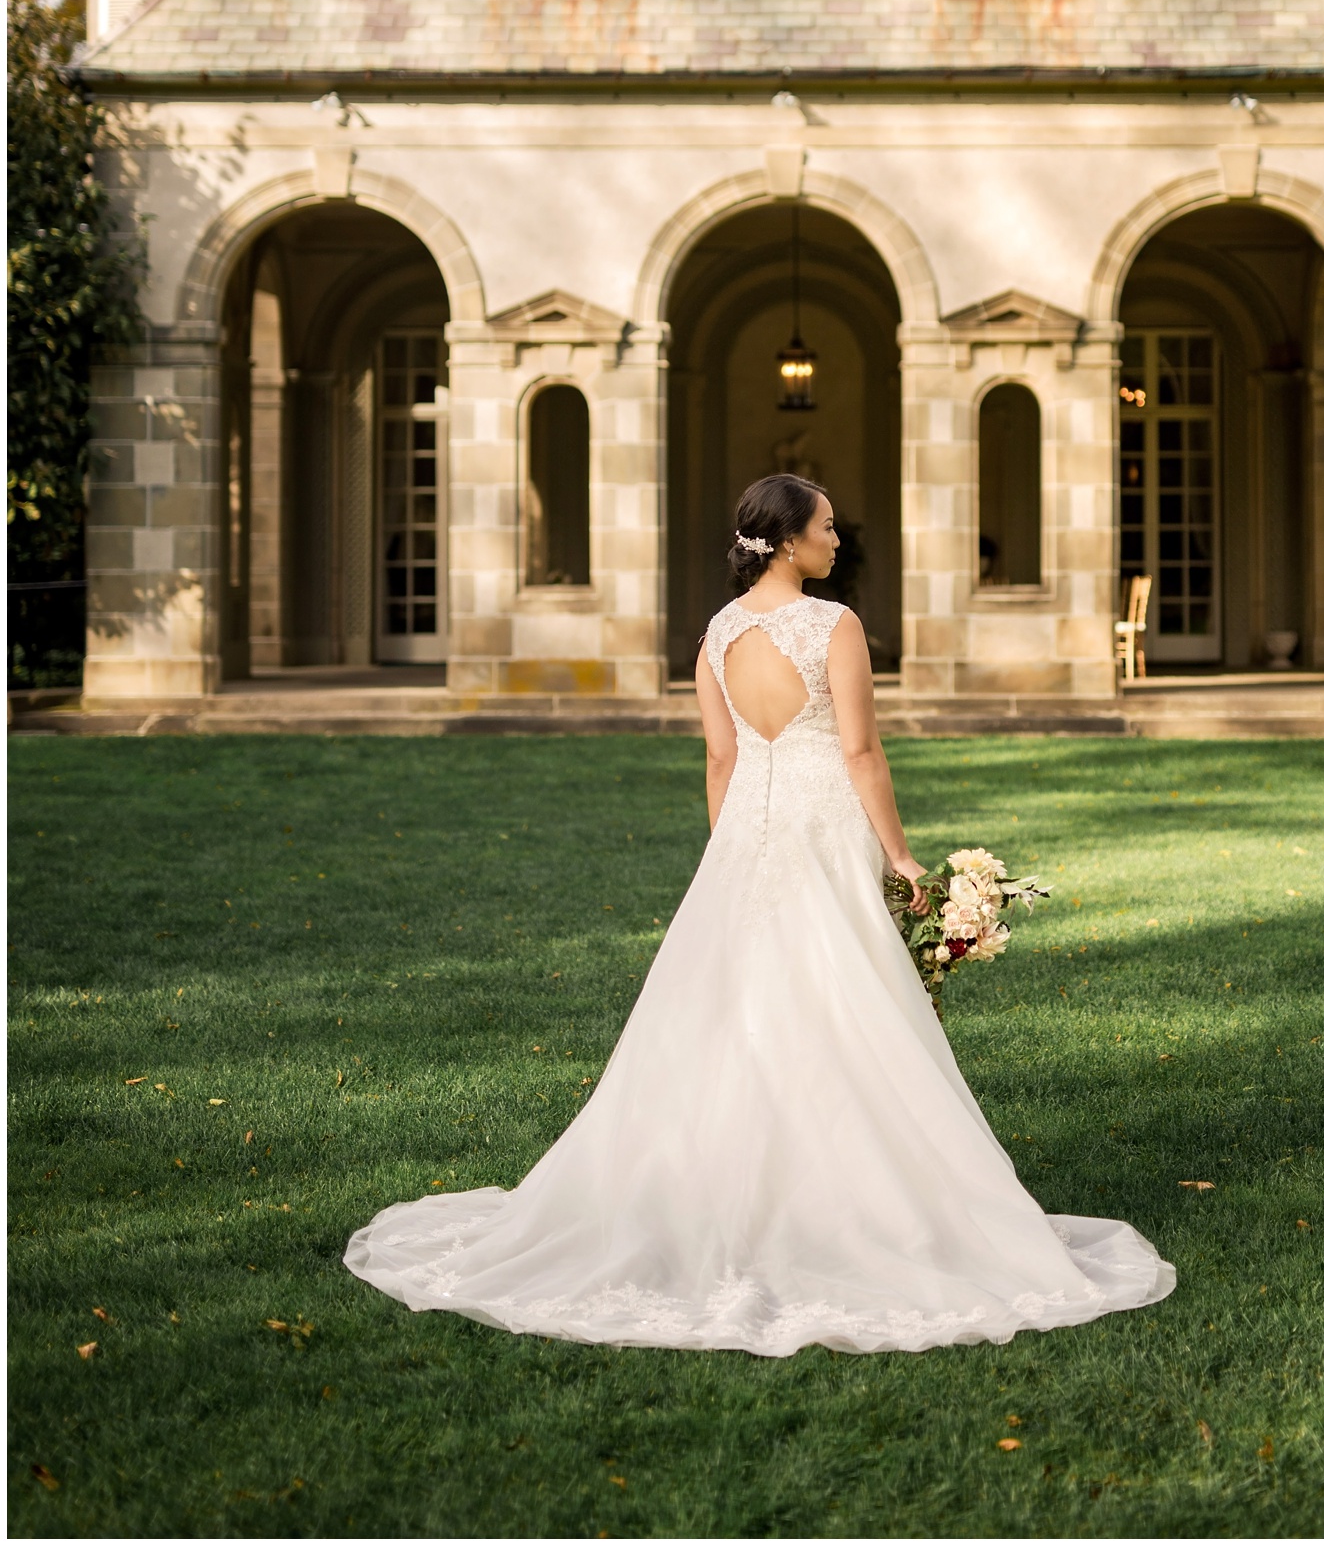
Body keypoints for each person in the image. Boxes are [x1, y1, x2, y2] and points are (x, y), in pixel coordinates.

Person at [344, 473, 1175, 1353]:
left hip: (746, 838)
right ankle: (856, 1203)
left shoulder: (716, 635)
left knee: (731, 1015)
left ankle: (724, 1193)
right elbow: (859, 750)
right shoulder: (834, 626)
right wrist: (900, 855)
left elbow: (719, 756)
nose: (836, 539)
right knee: (847, 1009)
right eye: (825, 527)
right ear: (786, 541)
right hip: (823, 831)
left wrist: (731, 849)